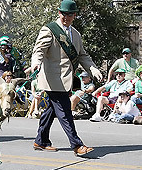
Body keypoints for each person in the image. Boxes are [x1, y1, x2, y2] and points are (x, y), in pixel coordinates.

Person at [31, 0, 103, 156]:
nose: (66, 17)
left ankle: (40, 140)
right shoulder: (49, 30)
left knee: (51, 110)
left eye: (70, 14)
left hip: (66, 79)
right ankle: (77, 145)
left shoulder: (75, 34)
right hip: (53, 79)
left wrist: (93, 69)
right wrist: (36, 63)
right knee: (65, 112)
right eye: (63, 13)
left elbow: (83, 55)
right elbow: (39, 50)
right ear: (59, 13)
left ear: (74, 15)